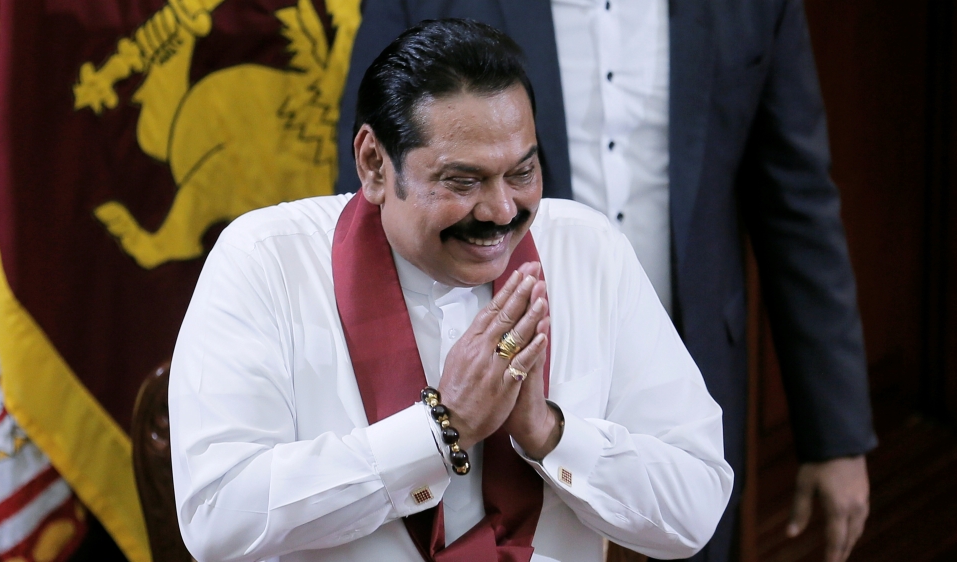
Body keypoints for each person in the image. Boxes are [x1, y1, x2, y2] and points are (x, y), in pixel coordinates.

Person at [171, 19, 733, 562]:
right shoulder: (266, 260)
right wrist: (442, 429)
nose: (502, 211)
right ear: (373, 164)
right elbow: (216, 516)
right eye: (463, 181)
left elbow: (697, 504)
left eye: (522, 173)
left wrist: (548, 433)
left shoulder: (588, 249)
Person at [335, 3, 878, 562]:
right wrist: (435, 423)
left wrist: (835, 435)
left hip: (694, 361)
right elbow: (379, 192)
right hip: (482, 379)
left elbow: (797, 203)